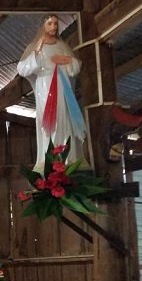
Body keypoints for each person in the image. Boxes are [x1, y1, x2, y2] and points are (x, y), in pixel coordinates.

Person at [17, 14, 87, 171]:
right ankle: (50, 159)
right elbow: (22, 69)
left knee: (65, 119)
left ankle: (67, 159)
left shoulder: (62, 46)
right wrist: (36, 52)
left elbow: (75, 66)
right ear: (43, 26)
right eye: (50, 23)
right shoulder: (36, 46)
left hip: (63, 85)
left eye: (55, 23)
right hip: (45, 85)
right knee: (49, 121)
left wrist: (66, 60)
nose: (54, 27)